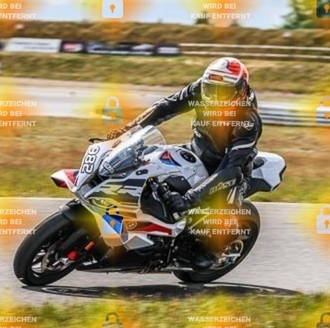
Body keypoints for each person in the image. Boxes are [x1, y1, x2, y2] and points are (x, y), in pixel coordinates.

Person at [108, 57, 263, 267]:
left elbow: (231, 169)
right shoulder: (201, 88)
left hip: (231, 166)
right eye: (211, 89)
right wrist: (128, 130)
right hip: (197, 148)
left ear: (240, 90)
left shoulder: (248, 120)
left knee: (223, 214)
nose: (214, 97)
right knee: (145, 160)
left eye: (223, 92)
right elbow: (165, 107)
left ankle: (214, 251)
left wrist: (190, 198)